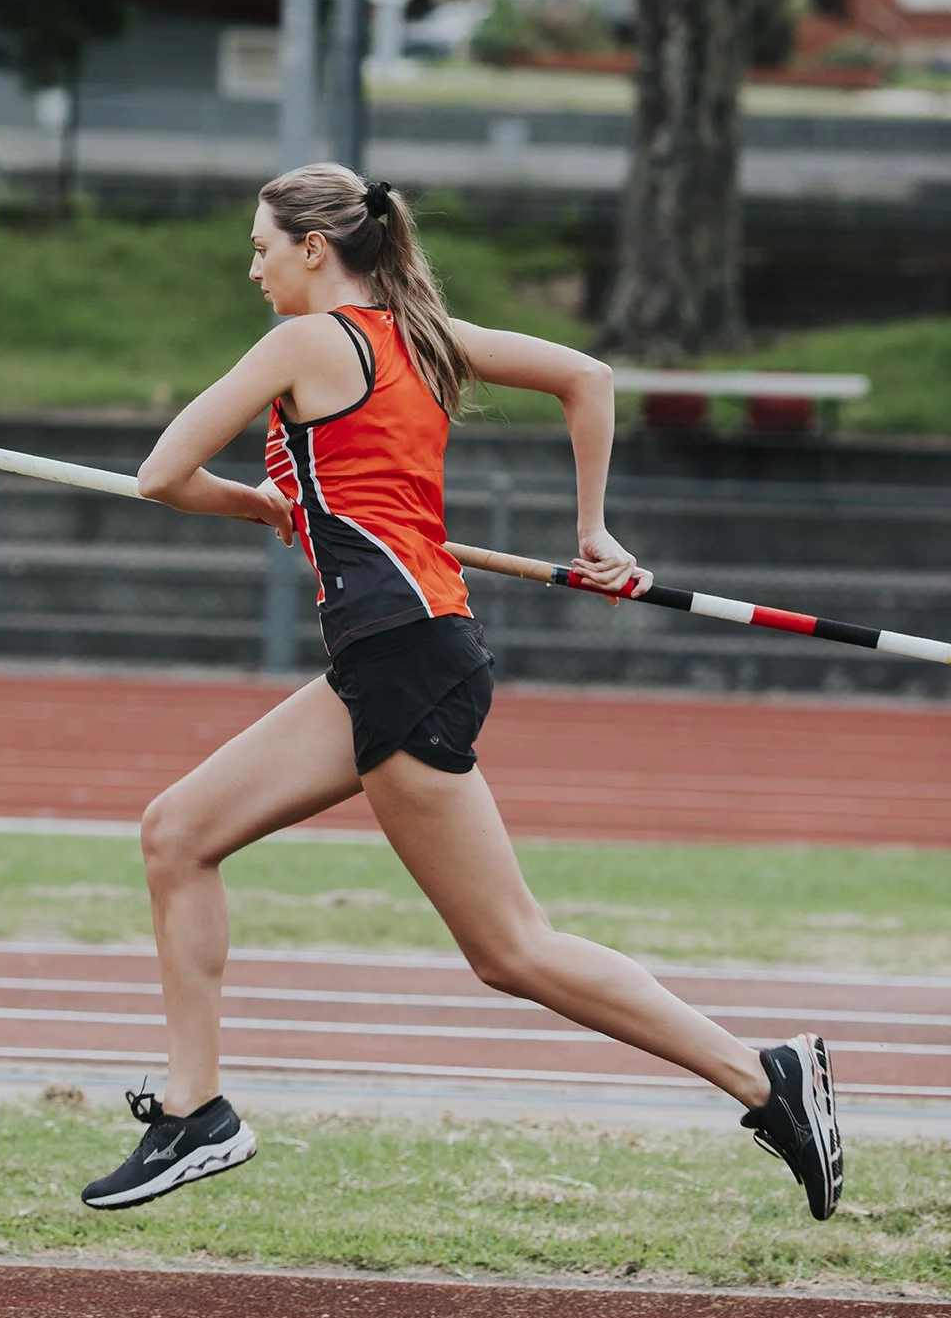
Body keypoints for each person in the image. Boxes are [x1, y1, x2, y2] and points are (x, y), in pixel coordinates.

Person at [80, 164, 842, 1220]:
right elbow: (588, 376)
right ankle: (194, 1110)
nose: (253, 269)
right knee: (177, 834)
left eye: (261, 247)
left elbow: (162, 474)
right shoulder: (425, 335)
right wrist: (593, 530)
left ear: (314, 248)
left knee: (511, 949)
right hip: (398, 652)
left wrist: (257, 507)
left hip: (402, 658)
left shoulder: (303, 343)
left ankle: (765, 1078)